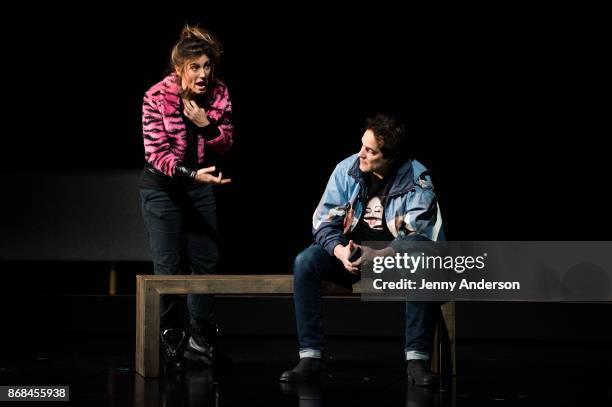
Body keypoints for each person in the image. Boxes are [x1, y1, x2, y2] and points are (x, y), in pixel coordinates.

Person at [279, 114, 444, 386]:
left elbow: (421, 236)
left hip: (392, 261)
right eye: (361, 146)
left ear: (390, 157)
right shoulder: (347, 169)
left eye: (370, 150)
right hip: (351, 256)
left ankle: (417, 361)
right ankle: (310, 357)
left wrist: (377, 256)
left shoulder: (417, 178)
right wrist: (341, 251)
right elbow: (323, 222)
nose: (361, 155)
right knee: (305, 261)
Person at [139, 24, 233, 371]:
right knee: (168, 266)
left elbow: (225, 143)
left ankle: (200, 339)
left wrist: (206, 124)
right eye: (195, 67)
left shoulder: (219, 93)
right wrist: (191, 173)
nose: (203, 73)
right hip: (163, 188)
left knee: (206, 261)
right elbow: (156, 154)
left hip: (200, 186)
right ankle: (169, 337)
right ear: (179, 69)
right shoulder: (156, 96)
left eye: (207, 66)